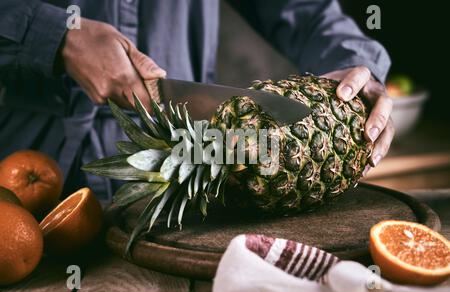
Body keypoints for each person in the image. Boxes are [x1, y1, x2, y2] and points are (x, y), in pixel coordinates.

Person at [0, 0, 394, 200]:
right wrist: (55, 35)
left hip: (189, 168)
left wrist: (356, 63)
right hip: (24, 170)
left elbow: (303, 10)